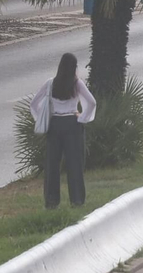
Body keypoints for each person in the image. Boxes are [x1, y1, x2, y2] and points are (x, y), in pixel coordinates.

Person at [29, 52, 96, 208]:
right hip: (72, 124)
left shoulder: (51, 83)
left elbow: (33, 104)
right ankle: (77, 200)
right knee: (75, 164)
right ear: (74, 68)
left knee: (52, 164)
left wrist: (43, 118)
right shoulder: (76, 83)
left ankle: (51, 201)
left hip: (55, 124)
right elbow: (92, 102)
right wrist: (82, 117)